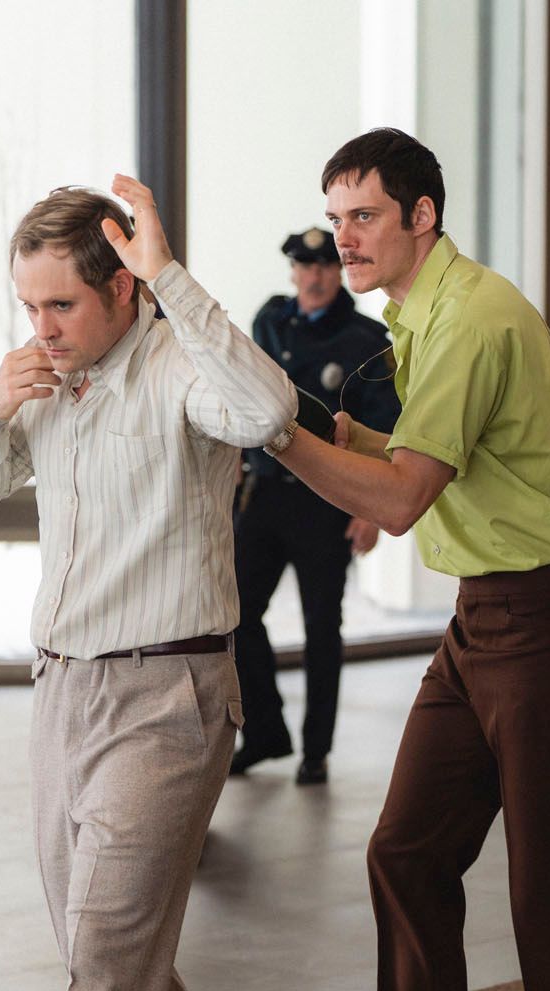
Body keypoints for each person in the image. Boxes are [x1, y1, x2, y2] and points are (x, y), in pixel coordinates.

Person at [271, 129, 550, 991]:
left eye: (363, 216)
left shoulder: (473, 319)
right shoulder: (425, 315)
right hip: (482, 621)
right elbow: (426, 453)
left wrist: (281, 442)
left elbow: (402, 499)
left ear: (422, 214)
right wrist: (335, 431)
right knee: (406, 851)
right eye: (335, 217)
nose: (343, 238)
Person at [0, 179, 295, 991]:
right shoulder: (44, 375)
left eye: (61, 304)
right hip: (60, 691)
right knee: (106, 956)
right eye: (29, 306)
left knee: (106, 959)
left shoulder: (180, 365)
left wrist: (169, 276)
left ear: (120, 286)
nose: (42, 327)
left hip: (167, 697)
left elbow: (268, 413)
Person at [230, 227, 399, 785]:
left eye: (325, 266)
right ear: (294, 272)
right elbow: (246, 396)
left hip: (327, 500)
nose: (315, 276)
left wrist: (371, 510)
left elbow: (386, 429)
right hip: (264, 494)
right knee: (234, 614)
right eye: (305, 267)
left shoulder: (366, 340)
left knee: (321, 628)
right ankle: (264, 732)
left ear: (337, 272)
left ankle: (315, 751)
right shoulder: (270, 321)